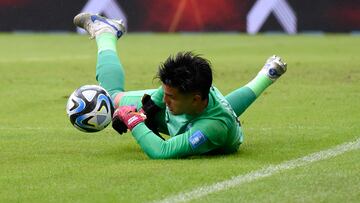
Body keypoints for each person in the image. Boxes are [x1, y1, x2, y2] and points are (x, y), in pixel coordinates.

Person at [73, 13, 287, 159]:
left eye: (171, 97)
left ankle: (265, 76)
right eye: (164, 93)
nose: (165, 100)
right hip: (191, 111)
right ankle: (106, 31)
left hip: (212, 125)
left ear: (195, 98)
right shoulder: (178, 93)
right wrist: (142, 113)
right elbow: (160, 99)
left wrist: (135, 122)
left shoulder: (212, 128)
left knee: (225, 113)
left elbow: (163, 152)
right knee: (111, 100)